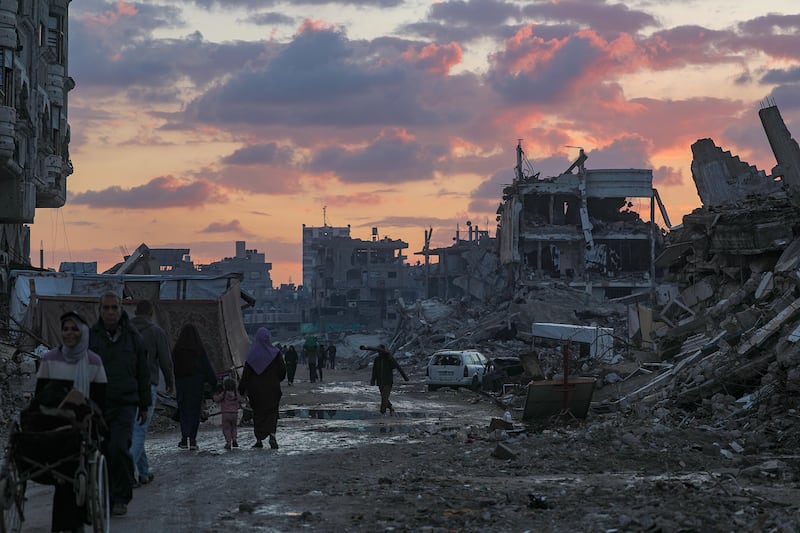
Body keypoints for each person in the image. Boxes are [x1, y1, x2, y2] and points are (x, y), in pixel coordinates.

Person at [35, 311, 108, 533]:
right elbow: (40, 396)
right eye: (65, 328)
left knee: (71, 468)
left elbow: (100, 400)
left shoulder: (94, 362)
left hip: (82, 424)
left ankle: (71, 524)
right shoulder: (49, 359)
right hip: (54, 424)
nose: (69, 333)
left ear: (83, 332)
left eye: (74, 328)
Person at [88, 292, 151, 518]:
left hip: (125, 403)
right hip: (98, 404)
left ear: (121, 308)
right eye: (106, 308)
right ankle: (105, 496)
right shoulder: (91, 337)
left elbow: (143, 372)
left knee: (119, 448)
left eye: (114, 308)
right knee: (101, 451)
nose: (110, 312)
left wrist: (144, 404)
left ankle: (120, 498)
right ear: (100, 310)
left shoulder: (132, 337)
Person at [129, 300, 174, 487]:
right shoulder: (156, 332)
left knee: (134, 430)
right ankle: (125, 471)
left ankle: (144, 472)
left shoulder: (126, 331)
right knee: (139, 430)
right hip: (147, 386)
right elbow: (165, 360)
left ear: (135, 311)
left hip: (127, 386)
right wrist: (170, 382)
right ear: (150, 313)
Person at [171, 323, 218, 451]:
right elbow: (207, 368)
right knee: (194, 412)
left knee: (184, 411)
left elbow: (172, 367)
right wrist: (215, 383)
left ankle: (184, 438)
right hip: (196, 385)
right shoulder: (198, 350)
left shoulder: (177, 351)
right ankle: (192, 439)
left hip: (181, 384)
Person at [238, 328, 287, 449]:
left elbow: (246, 375)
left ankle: (259, 439)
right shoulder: (275, 353)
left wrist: (241, 390)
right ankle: (272, 435)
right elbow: (282, 371)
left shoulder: (252, 355)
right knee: (272, 413)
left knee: (258, 414)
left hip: (256, 391)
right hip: (272, 389)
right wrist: (277, 380)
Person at [364, 344, 409, 415]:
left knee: (384, 397)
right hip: (380, 381)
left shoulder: (388, 358)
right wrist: (373, 379)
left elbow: (394, 366)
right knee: (384, 397)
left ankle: (382, 412)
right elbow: (374, 370)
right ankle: (390, 407)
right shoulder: (377, 359)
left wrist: (389, 358)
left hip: (388, 381)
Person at [212, 376, 241, 450]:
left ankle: (228, 442)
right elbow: (240, 399)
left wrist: (214, 396)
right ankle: (234, 439)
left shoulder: (224, 394)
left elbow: (217, 399)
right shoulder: (235, 393)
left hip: (226, 414)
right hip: (234, 414)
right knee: (234, 427)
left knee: (226, 429)